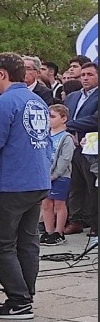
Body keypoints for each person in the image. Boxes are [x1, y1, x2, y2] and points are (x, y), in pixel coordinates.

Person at [0, 52, 51, 320]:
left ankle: (18, 301)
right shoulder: (37, 100)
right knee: (28, 241)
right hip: (38, 179)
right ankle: (26, 294)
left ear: (2, 74)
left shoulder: (2, 102)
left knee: (0, 243)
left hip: (12, 182)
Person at [63, 62, 98, 237]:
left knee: (92, 185)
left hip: (91, 147)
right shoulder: (72, 96)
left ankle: (95, 222)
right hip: (72, 145)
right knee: (74, 185)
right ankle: (76, 219)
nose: (85, 78)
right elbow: (63, 115)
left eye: (90, 74)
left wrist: (67, 124)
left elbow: (95, 120)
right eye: (83, 75)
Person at [40, 104, 76, 246]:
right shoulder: (45, 135)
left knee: (59, 204)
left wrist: (54, 175)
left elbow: (65, 159)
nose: (49, 119)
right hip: (45, 174)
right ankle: (49, 231)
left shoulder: (66, 137)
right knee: (46, 203)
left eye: (53, 116)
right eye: (48, 116)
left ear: (64, 118)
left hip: (60, 176)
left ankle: (59, 232)